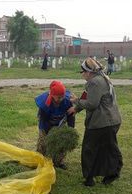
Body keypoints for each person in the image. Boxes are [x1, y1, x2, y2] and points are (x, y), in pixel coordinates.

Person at [70, 57, 123, 187]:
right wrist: (77, 109)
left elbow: (92, 104)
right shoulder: (103, 78)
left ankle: (89, 178)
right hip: (112, 120)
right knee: (107, 148)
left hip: (101, 122)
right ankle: (111, 173)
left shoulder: (94, 82)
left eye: (82, 72)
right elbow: (89, 98)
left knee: (89, 150)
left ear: (89, 72)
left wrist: (76, 101)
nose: (82, 74)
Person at [35, 80, 76, 170]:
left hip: (60, 124)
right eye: (58, 97)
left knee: (61, 142)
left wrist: (70, 128)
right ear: (52, 95)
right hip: (46, 125)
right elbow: (44, 120)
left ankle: (59, 161)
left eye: (62, 97)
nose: (60, 99)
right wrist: (49, 133)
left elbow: (71, 116)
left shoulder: (67, 101)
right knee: (43, 143)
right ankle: (40, 161)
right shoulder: (45, 104)